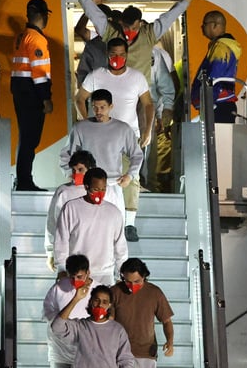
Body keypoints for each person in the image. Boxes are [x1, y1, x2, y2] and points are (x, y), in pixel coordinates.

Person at [65, 0, 204, 86]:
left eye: (134, 28)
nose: (130, 32)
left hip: (140, 92)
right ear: (120, 23)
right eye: (126, 28)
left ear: (141, 24)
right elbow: (94, 14)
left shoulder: (149, 34)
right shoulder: (111, 33)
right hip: (116, 90)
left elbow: (170, 16)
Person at [74, 39, 152, 242]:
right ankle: (96, 217)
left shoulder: (136, 77)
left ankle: (129, 224)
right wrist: (87, 123)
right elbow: (79, 98)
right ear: (107, 54)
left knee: (130, 177)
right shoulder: (96, 75)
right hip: (100, 134)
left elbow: (148, 104)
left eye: (121, 54)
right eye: (112, 54)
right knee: (97, 177)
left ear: (127, 54)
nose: (116, 58)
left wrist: (148, 130)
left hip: (128, 133)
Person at [41, 253, 100, 368]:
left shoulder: (98, 289)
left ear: (88, 272)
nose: (76, 281)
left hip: (86, 345)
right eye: (73, 277)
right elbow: (51, 316)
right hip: (60, 345)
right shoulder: (59, 288)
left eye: (80, 277)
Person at [59, 88, 140, 224]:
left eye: (102, 107)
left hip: (112, 185)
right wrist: (70, 174)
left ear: (111, 106)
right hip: (85, 187)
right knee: (85, 226)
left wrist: (130, 175)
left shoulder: (122, 129)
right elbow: (67, 154)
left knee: (114, 228)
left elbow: (137, 155)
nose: (98, 111)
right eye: (95, 107)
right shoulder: (80, 127)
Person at [53, 167, 127, 287]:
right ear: (86, 186)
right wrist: (61, 268)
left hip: (105, 274)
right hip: (77, 273)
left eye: (103, 189)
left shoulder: (114, 212)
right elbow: (61, 241)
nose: (100, 193)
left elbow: (120, 246)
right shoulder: (71, 208)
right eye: (96, 189)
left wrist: (120, 274)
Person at [10, 0, 54, 190]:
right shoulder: (36, 39)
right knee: (30, 139)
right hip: (31, 93)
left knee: (26, 137)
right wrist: (46, 98)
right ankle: (25, 182)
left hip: (20, 90)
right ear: (42, 15)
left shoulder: (22, 36)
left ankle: (24, 179)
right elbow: (39, 71)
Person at [46, 149, 98, 273]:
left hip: (96, 256)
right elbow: (52, 222)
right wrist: (50, 252)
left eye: (80, 170)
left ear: (90, 169)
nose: (76, 173)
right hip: (69, 254)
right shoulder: (63, 191)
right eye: (74, 170)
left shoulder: (102, 192)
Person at [190, 9, 242, 123]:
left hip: (217, 106)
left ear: (214, 25)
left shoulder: (221, 48)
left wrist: (208, 104)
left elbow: (214, 78)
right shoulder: (222, 46)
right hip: (219, 105)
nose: (202, 27)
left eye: (205, 24)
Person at [145, 43, 177, 193]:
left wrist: (164, 112)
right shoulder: (116, 50)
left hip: (148, 112)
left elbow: (167, 85)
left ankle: (149, 187)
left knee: (149, 154)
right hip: (123, 112)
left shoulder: (156, 54)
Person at [75, 3, 118, 89]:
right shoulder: (94, 40)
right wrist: (90, 9)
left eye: (99, 22)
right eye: (95, 22)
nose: (96, 26)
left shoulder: (121, 40)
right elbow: (79, 29)